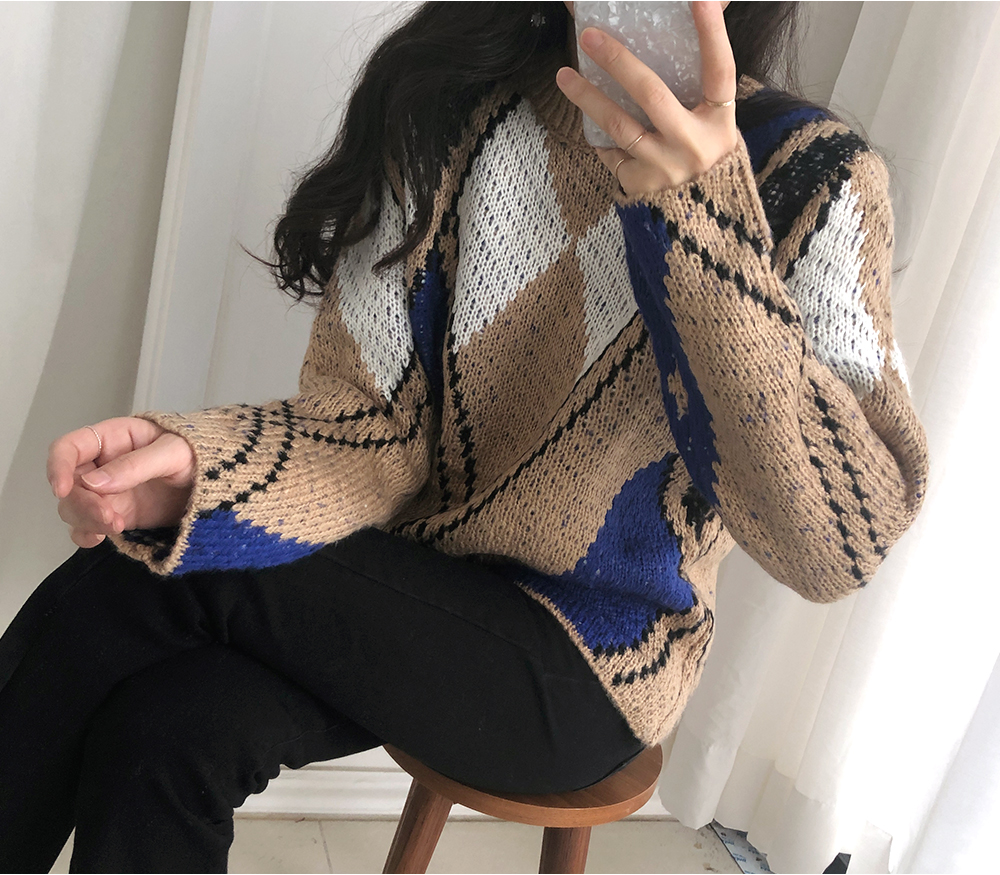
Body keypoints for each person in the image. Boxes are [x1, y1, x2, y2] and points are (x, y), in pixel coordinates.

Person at [0, 2, 928, 871]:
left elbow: (837, 547)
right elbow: (371, 429)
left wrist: (704, 217)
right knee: (168, 728)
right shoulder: (455, 108)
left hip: (591, 664)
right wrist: (210, 468)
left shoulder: (815, 179)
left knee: (132, 579)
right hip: (402, 594)